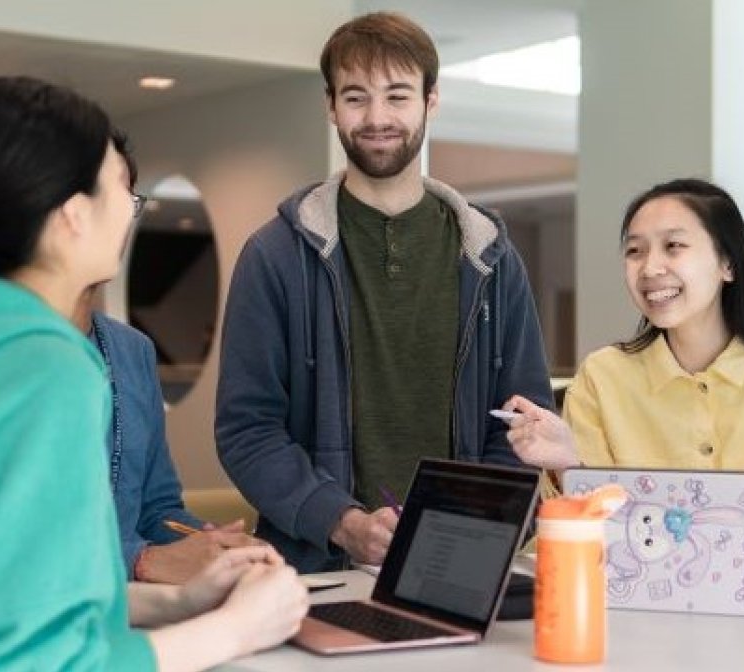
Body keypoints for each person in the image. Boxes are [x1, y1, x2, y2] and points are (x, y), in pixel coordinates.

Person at [0, 76, 307, 671]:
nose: (127, 216)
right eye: (121, 193)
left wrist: (177, 601)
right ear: (75, 215)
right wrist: (236, 628)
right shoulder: (42, 371)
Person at [216, 11, 553, 573]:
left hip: (459, 567)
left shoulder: (490, 257)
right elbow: (247, 430)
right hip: (317, 570)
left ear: (431, 101)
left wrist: (473, 528)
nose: (377, 118)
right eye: (355, 98)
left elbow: (524, 423)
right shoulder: (274, 257)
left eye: (397, 96)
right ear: (330, 106)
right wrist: (341, 522)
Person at [502, 178, 744, 614]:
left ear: (728, 263)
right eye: (635, 251)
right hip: (630, 623)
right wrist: (566, 466)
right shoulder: (602, 376)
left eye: (673, 247)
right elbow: (584, 531)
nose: (650, 267)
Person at [72, 288, 259, 584]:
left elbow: (156, 510)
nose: (119, 239)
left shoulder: (133, 349)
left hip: (131, 611)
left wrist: (215, 546)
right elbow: (8, 537)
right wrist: (140, 561)